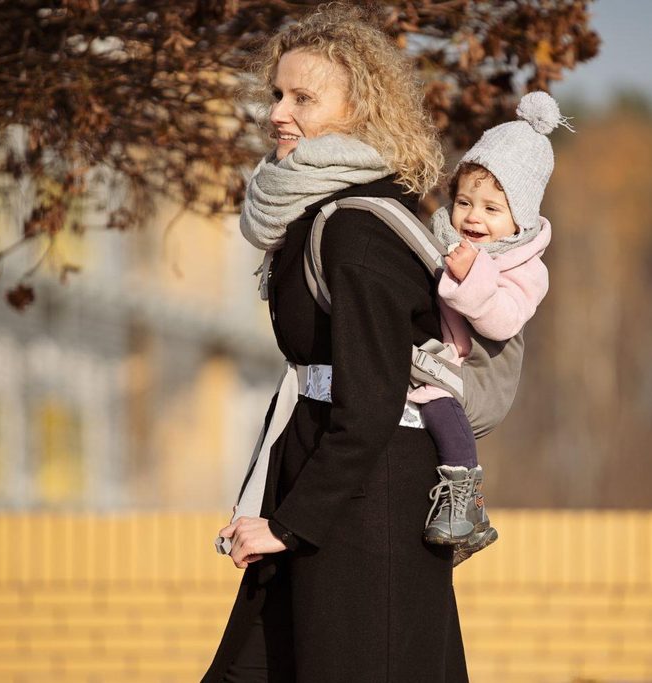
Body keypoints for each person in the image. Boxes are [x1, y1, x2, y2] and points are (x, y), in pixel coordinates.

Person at [203, 4, 467, 682]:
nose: (276, 113)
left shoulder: (357, 231)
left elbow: (371, 405)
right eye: (276, 94)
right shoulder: (314, 215)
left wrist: (289, 525)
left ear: (359, 110)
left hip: (366, 516)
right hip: (324, 492)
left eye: (303, 98)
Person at [409, 92, 565, 565]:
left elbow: (502, 319)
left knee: (436, 399)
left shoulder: (526, 268)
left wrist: (469, 276)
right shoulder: (446, 240)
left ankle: (467, 500)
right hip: (449, 361)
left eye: (492, 209)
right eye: (464, 202)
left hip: (485, 377)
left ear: (519, 219)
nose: (473, 217)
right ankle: (453, 523)